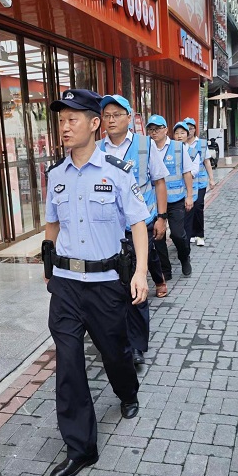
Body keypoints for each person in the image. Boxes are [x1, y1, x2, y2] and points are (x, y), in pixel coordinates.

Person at [43, 88, 150, 476]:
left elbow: (138, 223)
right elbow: (52, 224)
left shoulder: (116, 171)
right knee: (68, 363)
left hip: (105, 283)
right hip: (66, 285)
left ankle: (127, 392)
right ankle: (81, 448)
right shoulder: (55, 175)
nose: (64, 126)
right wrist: (48, 265)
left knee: (115, 352)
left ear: (94, 124)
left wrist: (139, 272)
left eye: (72, 119)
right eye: (61, 120)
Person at [98, 94, 170, 365]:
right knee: (109, 290)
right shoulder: (96, 148)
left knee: (136, 284)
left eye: (117, 114)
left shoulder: (145, 145)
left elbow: (159, 182)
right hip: (107, 232)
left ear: (129, 117)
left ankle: (137, 346)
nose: (111, 120)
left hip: (137, 228)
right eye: (107, 115)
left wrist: (161, 217)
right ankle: (114, 340)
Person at [149, 117, 196, 278]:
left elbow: (187, 172)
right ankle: (165, 270)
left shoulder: (178, 147)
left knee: (177, 234)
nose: (154, 132)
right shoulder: (147, 148)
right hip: (155, 202)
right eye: (151, 129)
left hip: (176, 200)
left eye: (157, 129)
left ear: (165, 129)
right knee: (158, 237)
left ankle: (184, 257)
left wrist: (189, 196)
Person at [181, 117, 215, 247]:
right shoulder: (180, 144)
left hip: (200, 182)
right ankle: (190, 234)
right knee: (188, 208)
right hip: (186, 184)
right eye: (186, 129)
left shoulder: (201, 143)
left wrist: (211, 179)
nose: (189, 131)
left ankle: (200, 235)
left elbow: (207, 161)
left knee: (198, 206)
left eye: (191, 128)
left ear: (195, 129)